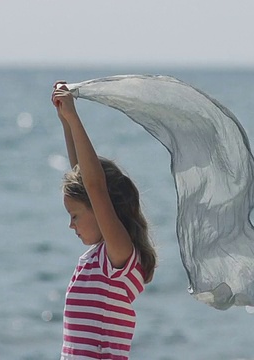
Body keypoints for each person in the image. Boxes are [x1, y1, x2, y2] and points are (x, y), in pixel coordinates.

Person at [51, 81, 157, 359]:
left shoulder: (118, 259)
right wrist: (65, 122)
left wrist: (75, 119)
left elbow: (94, 186)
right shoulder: (97, 258)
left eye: (74, 216)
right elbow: (85, 178)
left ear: (100, 209)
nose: (71, 225)